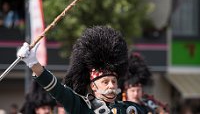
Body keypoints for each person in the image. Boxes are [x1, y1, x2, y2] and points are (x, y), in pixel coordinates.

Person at [17, 25, 147, 114]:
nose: (111, 86)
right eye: (105, 82)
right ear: (94, 86)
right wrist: (34, 63)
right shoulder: (81, 107)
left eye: (113, 81)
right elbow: (57, 89)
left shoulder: (131, 109)